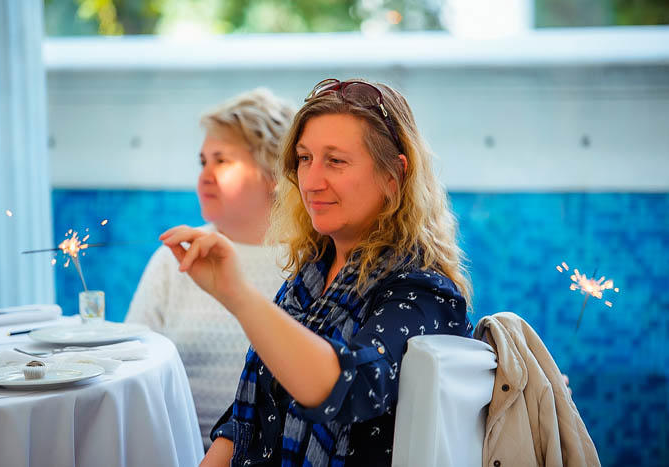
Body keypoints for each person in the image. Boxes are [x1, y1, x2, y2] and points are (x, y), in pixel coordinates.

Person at [161, 78, 474, 466]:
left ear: (393, 175)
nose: (310, 182)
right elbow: (248, 417)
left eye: (336, 161)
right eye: (305, 158)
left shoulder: (424, 292)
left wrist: (237, 295)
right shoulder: (308, 278)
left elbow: (349, 386)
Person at [126, 88, 295, 449]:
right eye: (203, 161)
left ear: (274, 172)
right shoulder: (176, 258)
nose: (205, 175)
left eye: (222, 160)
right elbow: (131, 363)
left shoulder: (309, 263)